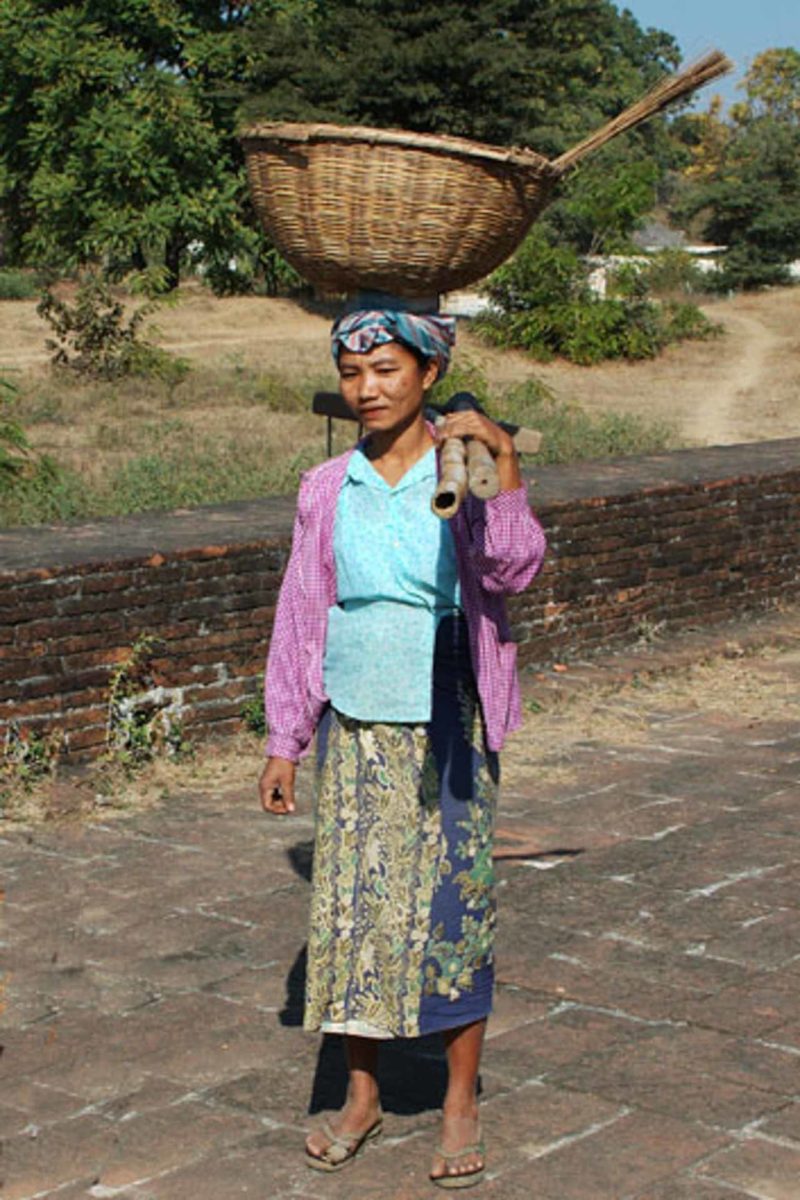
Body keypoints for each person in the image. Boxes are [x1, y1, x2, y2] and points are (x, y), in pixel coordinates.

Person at [258, 307, 546, 1188]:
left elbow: (514, 570)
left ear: (426, 373)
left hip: (448, 715)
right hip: (359, 717)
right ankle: (361, 1093)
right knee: (352, 912)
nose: (367, 388)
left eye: (385, 369)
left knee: (454, 909)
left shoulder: (461, 470)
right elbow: (304, 611)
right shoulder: (325, 486)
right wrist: (286, 737)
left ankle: (459, 1101)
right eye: (353, 373)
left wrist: (507, 466)